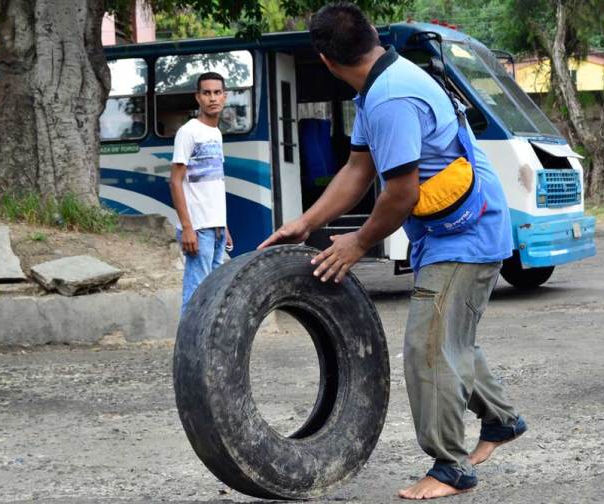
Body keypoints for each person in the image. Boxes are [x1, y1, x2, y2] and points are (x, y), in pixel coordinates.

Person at [259, 2, 526, 500]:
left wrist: (358, 243)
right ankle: (501, 421)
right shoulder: (380, 85)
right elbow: (358, 171)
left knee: (429, 348)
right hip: (450, 230)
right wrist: (307, 223)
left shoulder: (390, 98)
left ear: (324, 59)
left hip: (467, 237)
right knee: (451, 338)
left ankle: (450, 467)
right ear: (372, 37)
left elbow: (399, 193)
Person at [170, 72, 233, 315]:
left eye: (217, 92)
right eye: (206, 93)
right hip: (198, 229)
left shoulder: (216, 134)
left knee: (213, 295)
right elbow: (175, 182)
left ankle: (205, 350)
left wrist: (223, 225)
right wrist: (187, 227)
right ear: (198, 98)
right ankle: (188, 351)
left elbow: (214, 182)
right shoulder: (189, 132)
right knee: (196, 295)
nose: (212, 98)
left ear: (224, 97)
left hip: (215, 228)